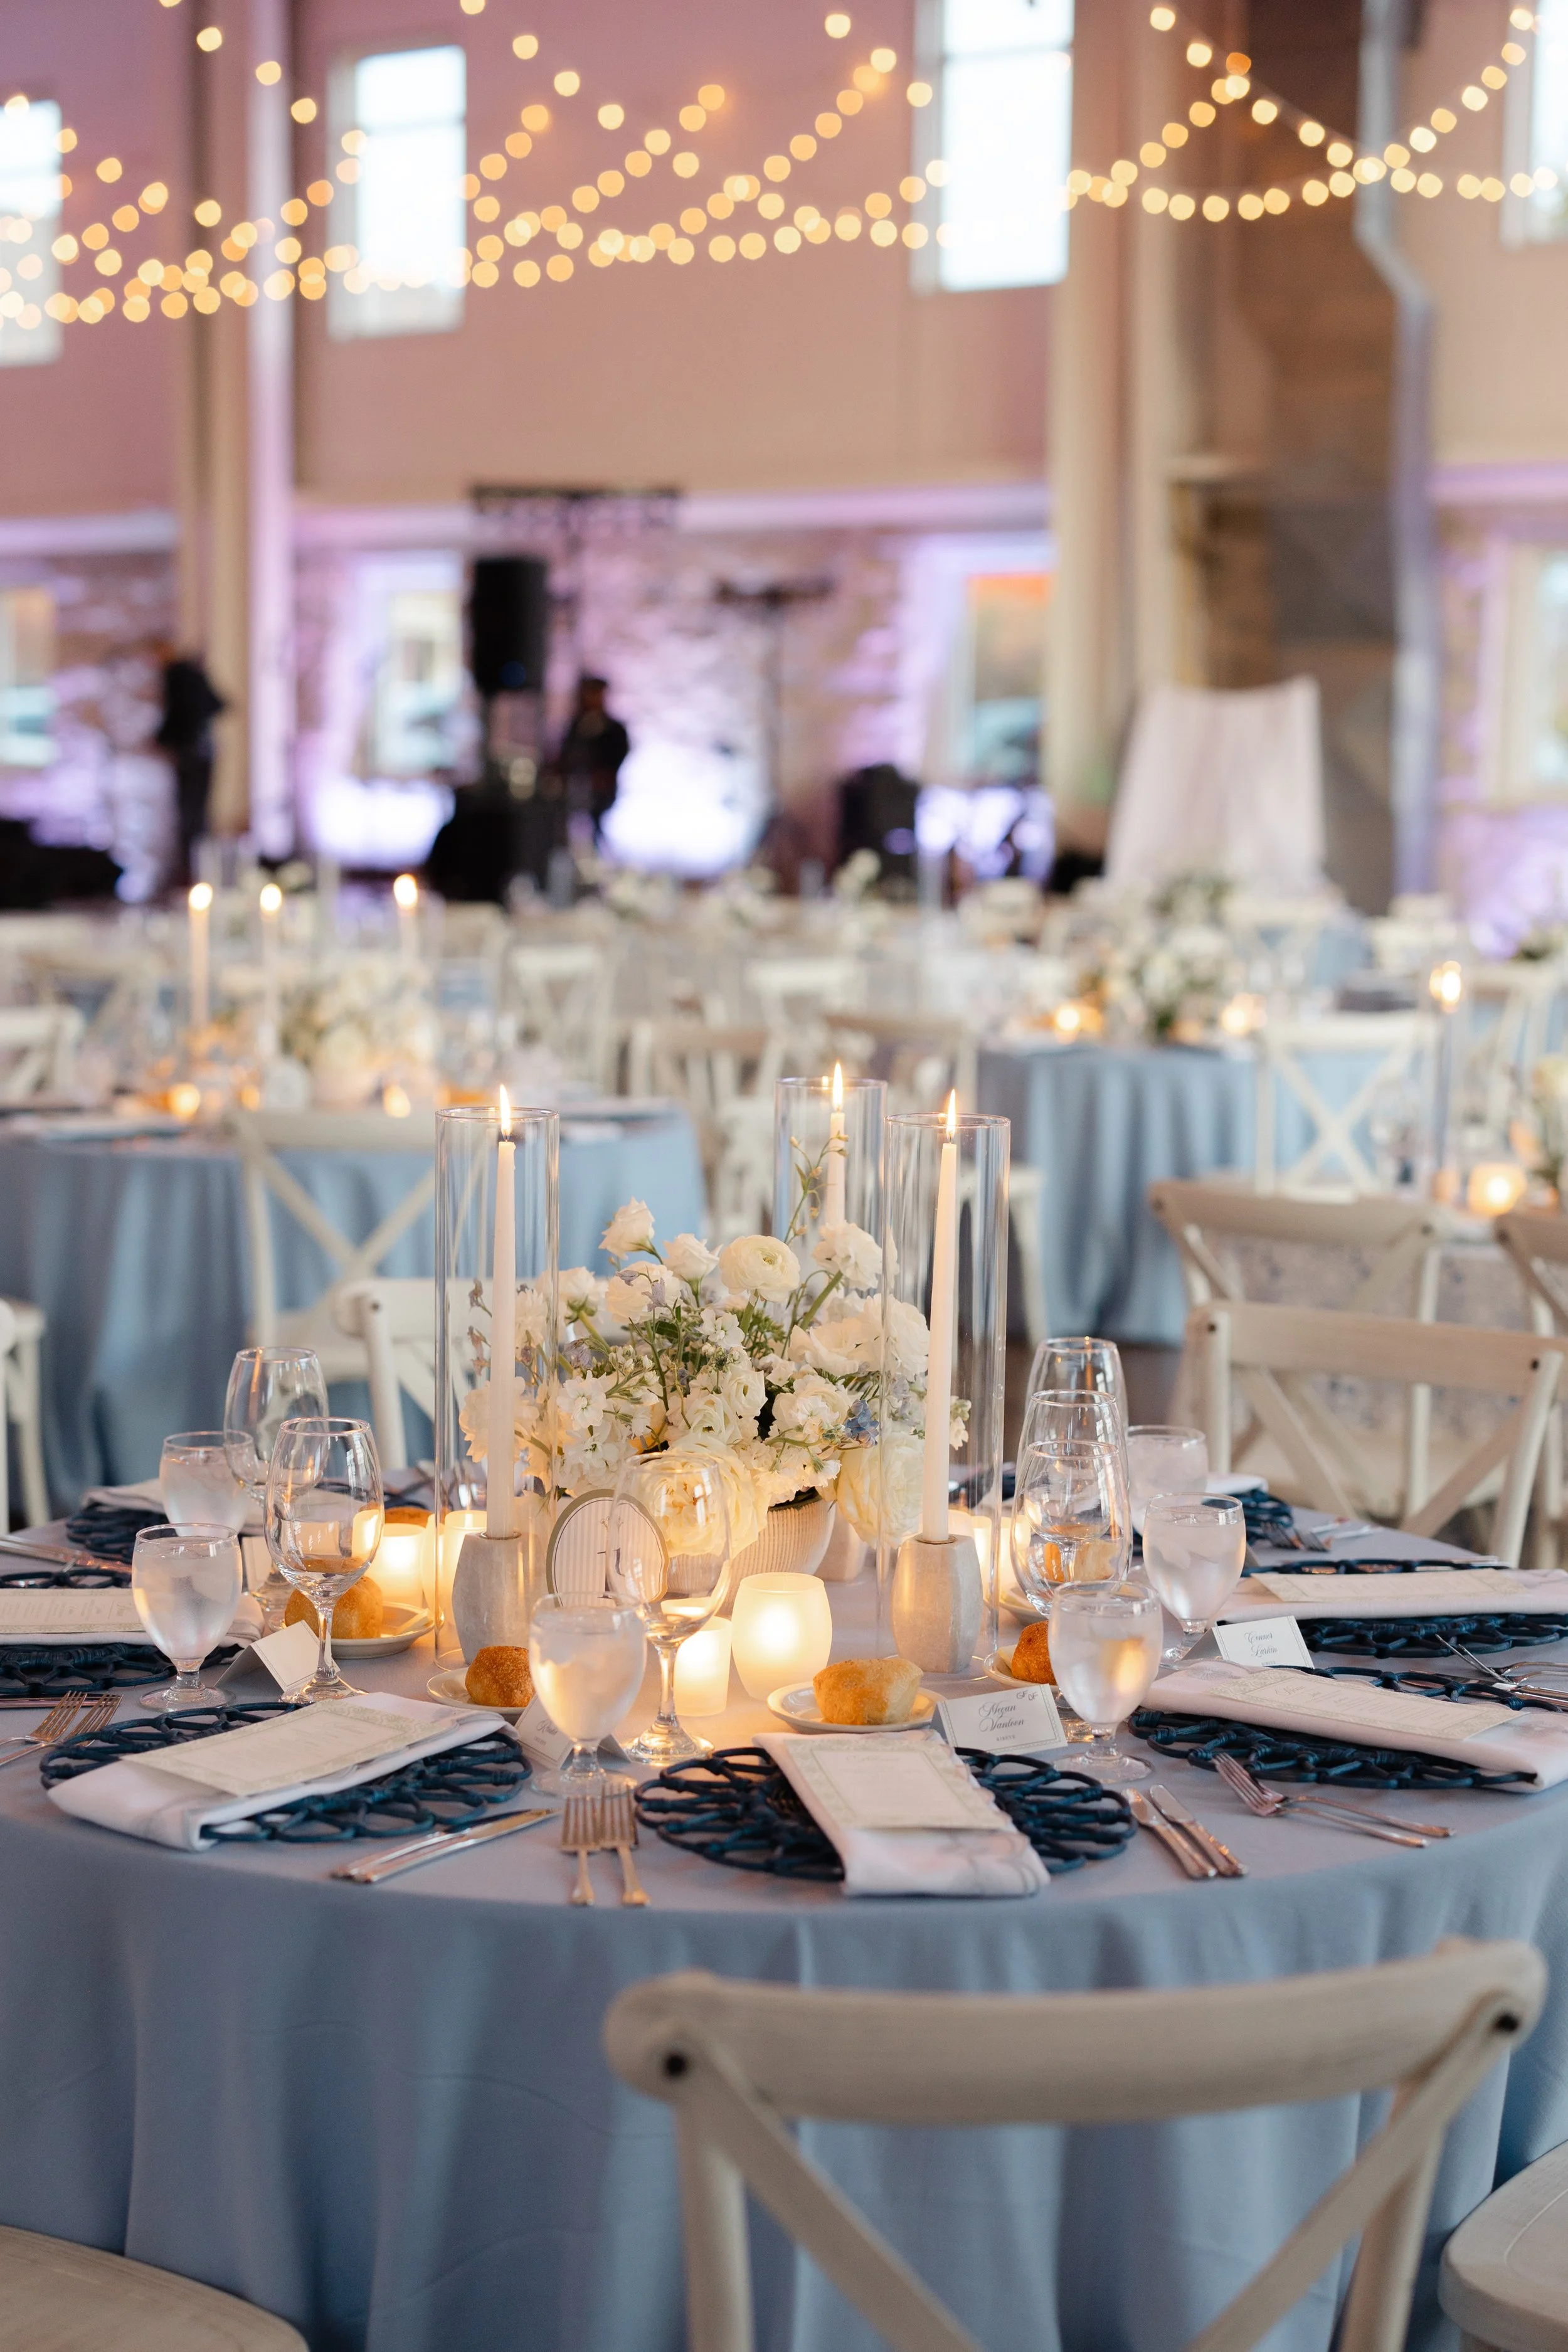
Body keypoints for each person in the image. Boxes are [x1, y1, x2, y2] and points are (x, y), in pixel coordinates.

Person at [153, 642, 226, 887]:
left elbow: (178, 713)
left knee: (189, 814)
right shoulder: (193, 676)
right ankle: (198, 869)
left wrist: (166, 738)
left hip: (190, 754)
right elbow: (219, 705)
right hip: (203, 752)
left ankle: (191, 871)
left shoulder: (177, 676)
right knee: (198, 813)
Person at [555, 675, 629, 840]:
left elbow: (619, 752)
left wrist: (605, 774)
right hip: (575, 786)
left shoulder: (614, 728)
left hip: (600, 791)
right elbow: (566, 752)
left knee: (597, 829)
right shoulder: (576, 725)